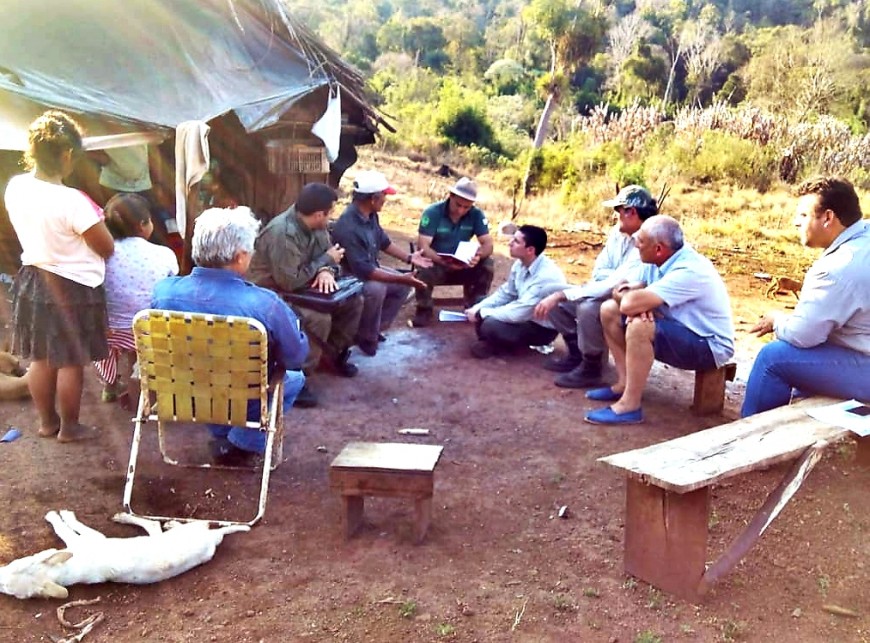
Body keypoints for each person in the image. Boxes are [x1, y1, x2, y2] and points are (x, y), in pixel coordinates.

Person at [151, 206, 308, 465]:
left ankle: (225, 435)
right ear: (240, 257)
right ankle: (241, 443)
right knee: (294, 379)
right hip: (240, 393)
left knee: (210, 370)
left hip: (182, 393)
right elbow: (295, 357)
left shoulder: (164, 292)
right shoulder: (264, 303)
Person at [4, 110, 115, 442]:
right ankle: (70, 427)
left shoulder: (16, 186)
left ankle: (47, 423)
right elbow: (106, 247)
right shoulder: (72, 201)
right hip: (74, 287)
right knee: (70, 361)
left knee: (40, 358)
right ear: (67, 154)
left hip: (34, 280)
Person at [584, 215, 734, 425]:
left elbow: (629, 302)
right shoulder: (657, 258)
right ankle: (624, 383)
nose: (636, 243)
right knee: (609, 309)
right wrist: (638, 302)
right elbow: (621, 291)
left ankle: (630, 406)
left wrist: (638, 302)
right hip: (679, 328)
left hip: (708, 344)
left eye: (641, 240)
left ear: (659, 249)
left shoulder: (690, 269)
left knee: (639, 326)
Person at [742, 177, 870, 416]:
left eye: (803, 215)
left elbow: (803, 336)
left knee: (773, 358)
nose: (795, 222)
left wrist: (776, 320)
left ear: (828, 218)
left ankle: (750, 442)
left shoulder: (837, 267)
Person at [247, 183, 363, 408]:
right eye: (330, 212)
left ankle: (331, 355)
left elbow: (331, 256)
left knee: (354, 302)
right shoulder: (282, 233)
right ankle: (298, 377)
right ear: (319, 214)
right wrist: (325, 262)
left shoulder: (317, 226)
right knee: (317, 318)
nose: (331, 217)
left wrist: (326, 270)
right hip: (272, 293)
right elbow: (289, 281)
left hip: (304, 287)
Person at [534, 185, 658, 388]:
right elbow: (600, 272)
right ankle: (576, 354)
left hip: (630, 302)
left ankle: (592, 365)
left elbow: (615, 285)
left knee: (587, 308)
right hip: (611, 292)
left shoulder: (646, 242)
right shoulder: (617, 234)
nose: (616, 217)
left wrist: (565, 294)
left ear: (631, 212)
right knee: (550, 293)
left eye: (618, 211)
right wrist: (610, 280)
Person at [331, 170, 432, 356]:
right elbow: (366, 272)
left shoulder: (370, 215)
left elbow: (384, 242)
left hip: (367, 269)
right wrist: (401, 278)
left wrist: (410, 258)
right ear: (373, 198)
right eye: (384, 195)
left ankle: (374, 329)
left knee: (399, 285)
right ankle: (366, 337)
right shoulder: (348, 226)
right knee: (377, 288)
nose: (386, 198)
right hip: (348, 276)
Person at [94, 193, 179, 407]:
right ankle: (140, 382)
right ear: (143, 225)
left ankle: (110, 385)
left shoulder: (100, 254)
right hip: (148, 329)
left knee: (111, 339)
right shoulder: (164, 254)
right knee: (140, 335)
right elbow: (171, 284)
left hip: (109, 331)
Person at [466, 225, 567, 359]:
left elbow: (521, 312)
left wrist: (481, 313)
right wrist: (479, 307)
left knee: (490, 323)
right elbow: (507, 293)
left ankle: (501, 346)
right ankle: (492, 342)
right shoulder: (520, 263)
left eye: (516, 241)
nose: (510, 243)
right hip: (522, 313)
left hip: (540, 327)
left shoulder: (546, 275)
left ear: (530, 250)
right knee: (480, 302)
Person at [411, 177, 495, 327]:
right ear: (451, 195)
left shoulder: (476, 215)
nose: (461, 210)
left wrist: (478, 256)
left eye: (466, 207)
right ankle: (424, 309)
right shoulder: (433, 212)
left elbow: (488, 244)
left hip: (463, 264)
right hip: (438, 264)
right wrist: (442, 261)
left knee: (487, 264)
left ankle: (475, 305)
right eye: (458, 205)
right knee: (423, 266)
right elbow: (423, 246)